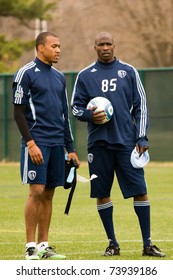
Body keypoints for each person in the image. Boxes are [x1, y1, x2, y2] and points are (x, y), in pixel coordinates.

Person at [71, 31, 165, 257]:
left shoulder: (129, 72)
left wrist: (141, 137)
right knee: (102, 193)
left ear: (115, 45)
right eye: (101, 44)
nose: (105, 47)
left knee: (140, 191)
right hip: (98, 144)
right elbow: (75, 108)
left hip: (126, 143)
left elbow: (141, 106)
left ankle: (147, 244)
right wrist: (89, 115)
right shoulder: (84, 75)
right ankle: (112, 243)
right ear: (94, 47)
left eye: (109, 44)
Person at [12, 31, 80, 260]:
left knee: (49, 194)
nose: (58, 50)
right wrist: (31, 143)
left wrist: (70, 148)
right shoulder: (25, 74)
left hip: (57, 143)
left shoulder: (60, 77)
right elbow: (18, 113)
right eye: (54, 46)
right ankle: (30, 246)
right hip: (36, 142)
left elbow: (64, 116)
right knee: (36, 191)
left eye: (59, 46)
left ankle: (43, 245)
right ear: (41, 48)